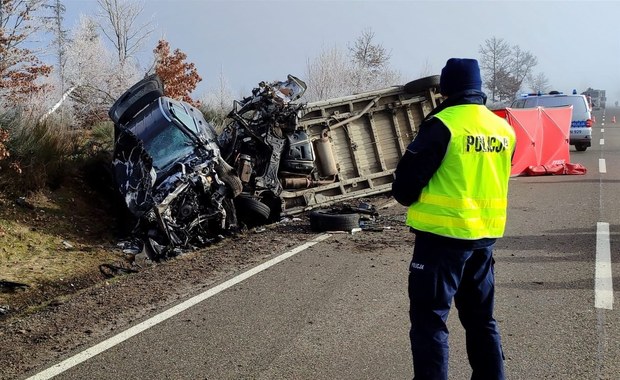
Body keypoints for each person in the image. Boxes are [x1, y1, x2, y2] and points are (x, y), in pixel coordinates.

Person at [392, 58, 515, 380]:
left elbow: (405, 187)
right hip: (484, 239)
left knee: (430, 320)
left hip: (441, 241)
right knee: (481, 320)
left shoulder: (443, 124)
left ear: (445, 88)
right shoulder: (503, 128)